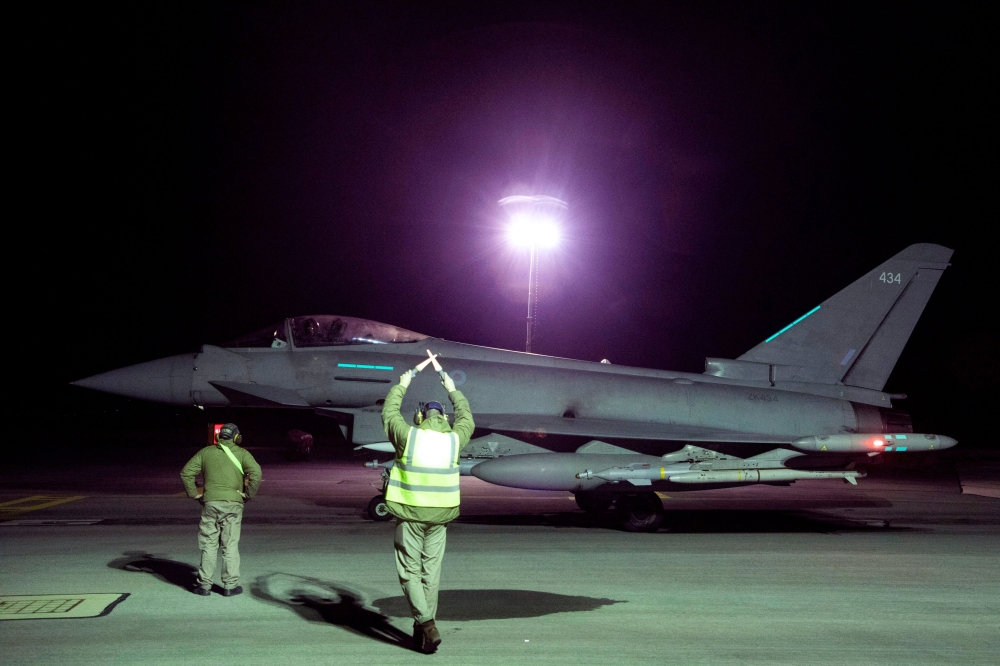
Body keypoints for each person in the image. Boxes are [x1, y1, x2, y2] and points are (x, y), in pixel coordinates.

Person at [382, 357, 474, 653]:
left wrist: (402, 384)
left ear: (420, 417)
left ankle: (426, 623)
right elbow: (467, 417)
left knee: (409, 573)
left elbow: (389, 412)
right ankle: (422, 636)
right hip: (440, 519)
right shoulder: (454, 440)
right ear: (444, 418)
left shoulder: (409, 436)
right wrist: (452, 389)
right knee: (430, 575)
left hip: (410, 516)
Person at [180, 423, 262, 596]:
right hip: (233, 504)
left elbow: (186, 473)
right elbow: (256, 474)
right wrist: (248, 495)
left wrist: (194, 494)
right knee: (230, 545)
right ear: (236, 437)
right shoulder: (242, 454)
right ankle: (230, 586)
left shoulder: (206, 452)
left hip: (210, 503)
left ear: (219, 437)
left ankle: (204, 586)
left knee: (208, 545)